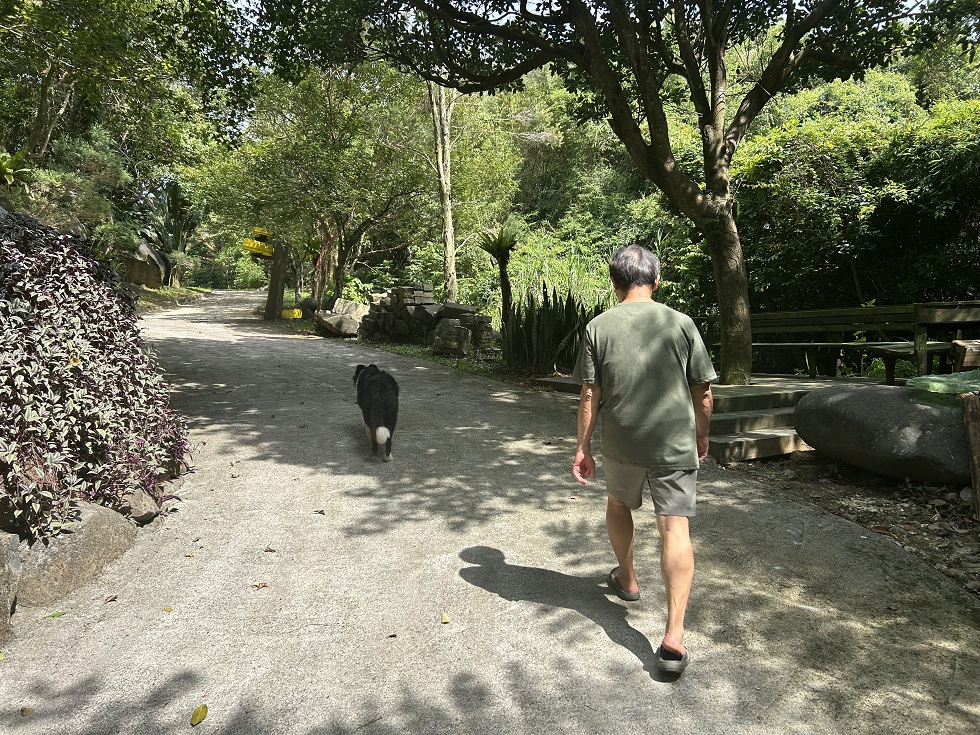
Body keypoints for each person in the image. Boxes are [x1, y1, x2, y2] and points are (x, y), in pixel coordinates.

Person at [572, 243, 715, 675]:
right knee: (675, 526)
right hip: (673, 442)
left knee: (618, 505)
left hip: (623, 441)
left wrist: (582, 447)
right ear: (656, 281)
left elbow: (590, 395)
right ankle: (674, 636)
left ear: (615, 284)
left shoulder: (598, 327)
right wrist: (701, 433)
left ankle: (628, 578)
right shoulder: (682, 323)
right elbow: (703, 391)